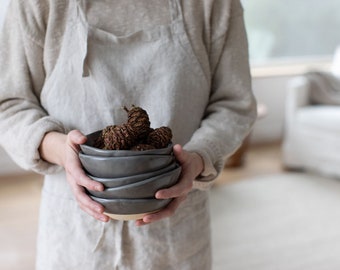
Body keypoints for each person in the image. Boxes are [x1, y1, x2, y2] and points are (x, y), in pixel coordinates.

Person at [0, 0, 257, 269]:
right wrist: (60, 149)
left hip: (175, 237)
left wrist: (200, 156)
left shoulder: (214, 5)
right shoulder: (37, 4)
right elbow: (9, 103)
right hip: (74, 236)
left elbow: (234, 104)